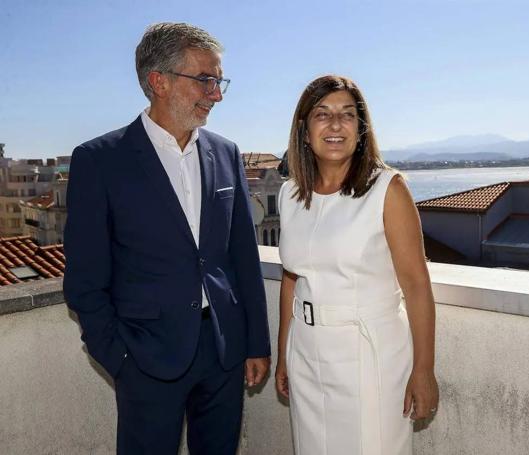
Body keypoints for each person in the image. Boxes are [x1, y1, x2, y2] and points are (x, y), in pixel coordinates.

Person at [63, 23, 270, 455]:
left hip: (223, 352)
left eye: (219, 81)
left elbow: (242, 258)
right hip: (146, 359)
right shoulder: (100, 160)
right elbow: (84, 279)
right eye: (205, 79)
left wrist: (254, 344)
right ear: (158, 81)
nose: (216, 94)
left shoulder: (226, 152)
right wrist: (120, 359)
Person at [274, 75, 439, 454]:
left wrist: (425, 370)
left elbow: (416, 284)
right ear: (303, 130)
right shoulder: (290, 195)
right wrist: (284, 352)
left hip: (369, 355)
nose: (335, 125)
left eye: (347, 115)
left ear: (361, 130)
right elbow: (291, 280)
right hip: (307, 354)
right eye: (322, 114)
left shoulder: (387, 189)